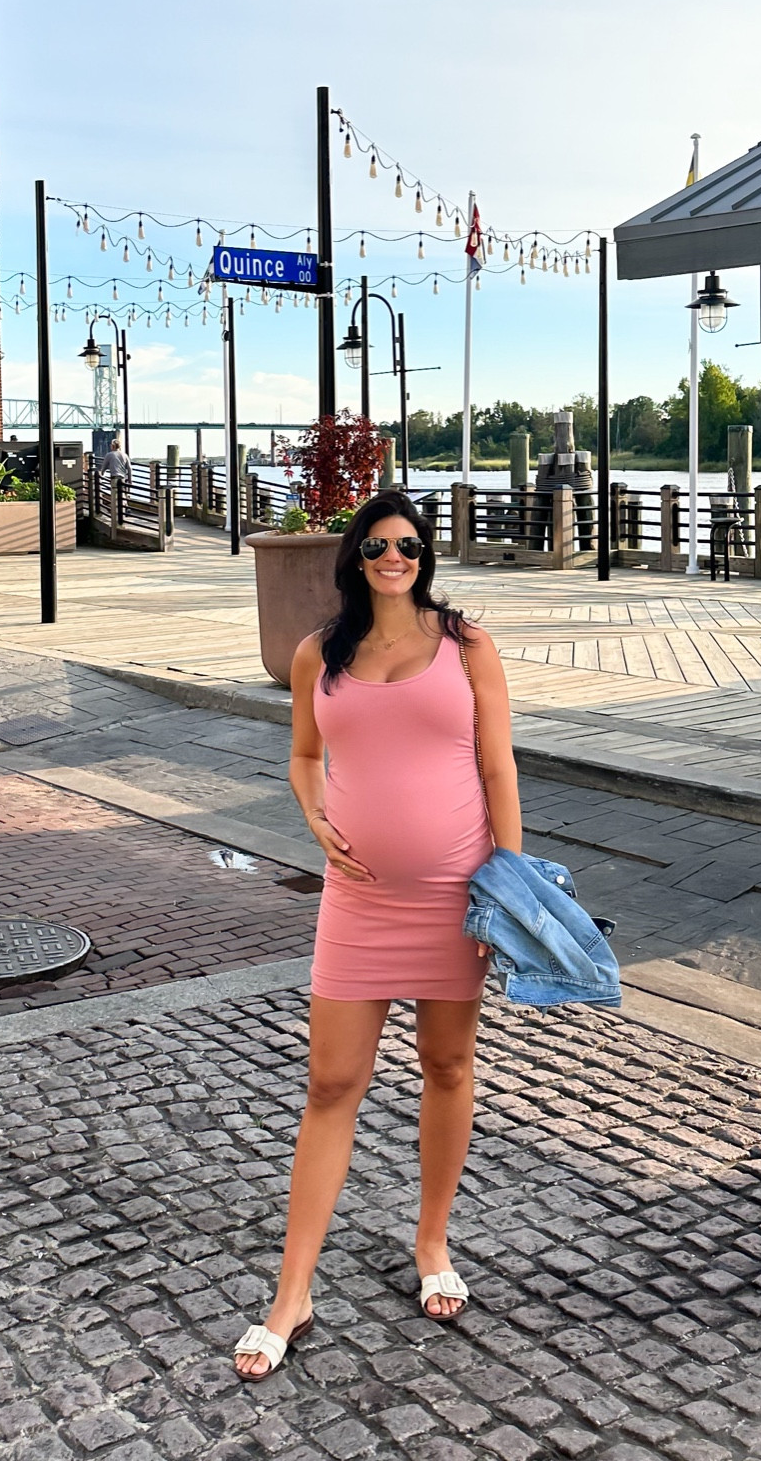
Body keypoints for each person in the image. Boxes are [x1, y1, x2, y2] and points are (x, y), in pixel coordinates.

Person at [233, 490, 523, 1381]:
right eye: (377, 546)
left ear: (424, 555)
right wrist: (314, 818)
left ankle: (431, 1241)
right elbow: (304, 756)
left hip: (452, 894)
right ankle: (292, 1292)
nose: (393, 557)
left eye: (408, 545)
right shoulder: (319, 653)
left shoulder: (466, 644)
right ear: (354, 557)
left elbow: (497, 763)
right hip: (356, 904)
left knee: (446, 1066)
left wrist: (506, 890)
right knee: (330, 1084)